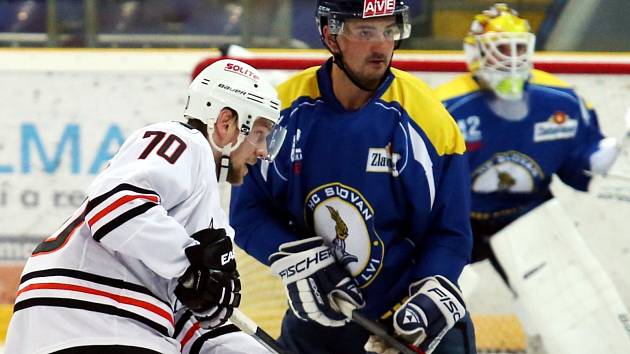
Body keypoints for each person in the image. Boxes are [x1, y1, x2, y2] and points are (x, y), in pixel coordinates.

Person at [229, 1, 476, 353]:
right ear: (331, 36)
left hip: (411, 321)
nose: (381, 46)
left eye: (389, 31)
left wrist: (432, 290)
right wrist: (298, 259)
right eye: (365, 32)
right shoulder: (281, 113)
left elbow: (450, 233)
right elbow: (247, 214)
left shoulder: (429, 121)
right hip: (319, 319)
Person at [4, 58, 286, 354]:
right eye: (259, 134)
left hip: (86, 325)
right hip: (92, 320)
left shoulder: (203, 210)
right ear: (226, 123)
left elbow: (185, 322)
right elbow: (113, 205)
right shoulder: (183, 141)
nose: (263, 151)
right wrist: (191, 266)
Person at [434, 2, 619, 288]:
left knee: (562, 302)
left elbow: (582, 163)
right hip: (457, 220)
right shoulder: (443, 107)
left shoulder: (562, 100)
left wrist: (606, 155)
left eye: (518, 49)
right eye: (502, 49)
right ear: (476, 52)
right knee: (427, 294)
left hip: (526, 213)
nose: (512, 59)